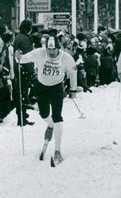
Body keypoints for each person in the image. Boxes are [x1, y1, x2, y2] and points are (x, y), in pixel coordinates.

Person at [15, 31, 78, 165]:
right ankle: (50, 125)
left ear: (58, 48)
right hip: (41, 86)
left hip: (56, 88)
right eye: (49, 49)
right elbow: (24, 58)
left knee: (57, 116)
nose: (51, 52)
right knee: (44, 114)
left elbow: (73, 73)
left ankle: (57, 150)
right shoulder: (39, 53)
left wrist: (73, 89)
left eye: (53, 49)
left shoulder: (66, 58)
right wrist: (18, 57)